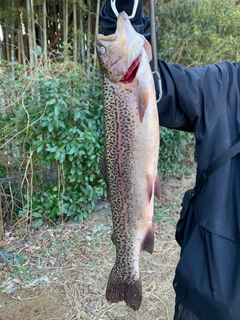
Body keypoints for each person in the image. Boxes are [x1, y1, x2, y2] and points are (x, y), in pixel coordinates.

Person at [99, 1, 240, 320]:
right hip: (206, 302)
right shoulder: (224, 85)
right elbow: (164, 88)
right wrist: (120, 18)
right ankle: (127, 266)